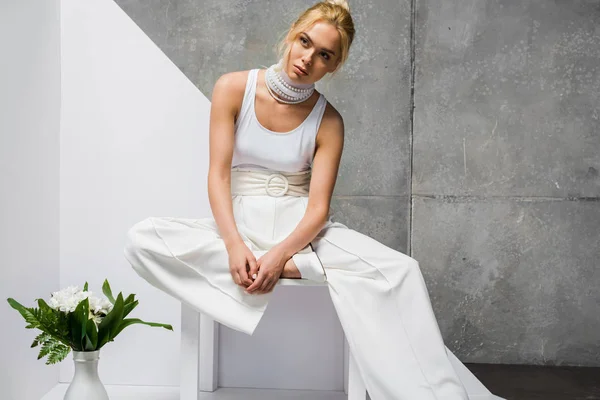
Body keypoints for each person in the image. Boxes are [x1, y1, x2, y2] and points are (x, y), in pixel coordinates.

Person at [124, 1, 504, 399]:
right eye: (305, 42)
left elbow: (318, 209)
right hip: (240, 229)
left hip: (300, 235)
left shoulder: (329, 121)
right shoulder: (233, 88)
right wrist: (235, 246)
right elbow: (217, 175)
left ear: (333, 66)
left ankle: (435, 394)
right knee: (142, 238)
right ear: (292, 33)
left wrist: (279, 259)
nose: (308, 58)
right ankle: (291, 268)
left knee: (401, 271)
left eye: (324, 55)